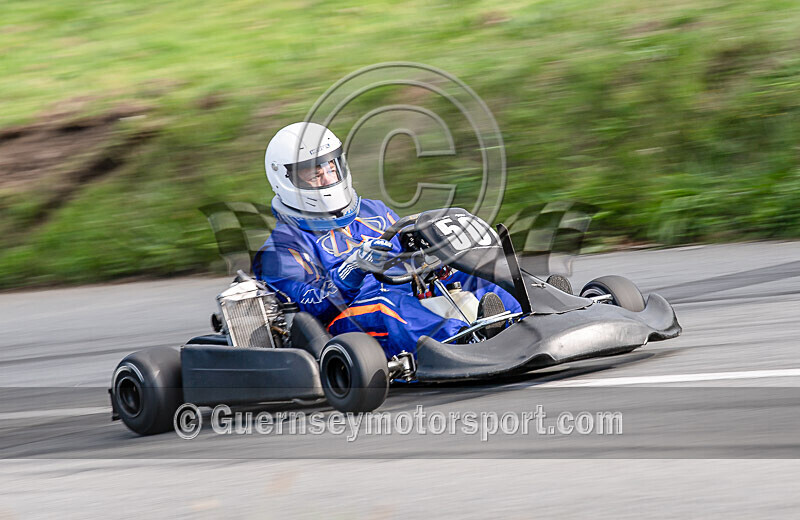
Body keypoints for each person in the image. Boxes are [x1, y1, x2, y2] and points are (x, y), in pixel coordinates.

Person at [253, 122, 520, 358]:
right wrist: (351, 270)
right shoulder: (280, 249)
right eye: (314, 174)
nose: (327, 177)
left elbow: (408, 251)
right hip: (346, 316)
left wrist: (436, 253)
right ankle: (464, 341)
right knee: (390, 305)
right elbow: (310, 306)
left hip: (404, 287)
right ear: (284, 179)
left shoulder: (374, 211)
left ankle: (529, 316)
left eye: (330, 167)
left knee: (475, 277)